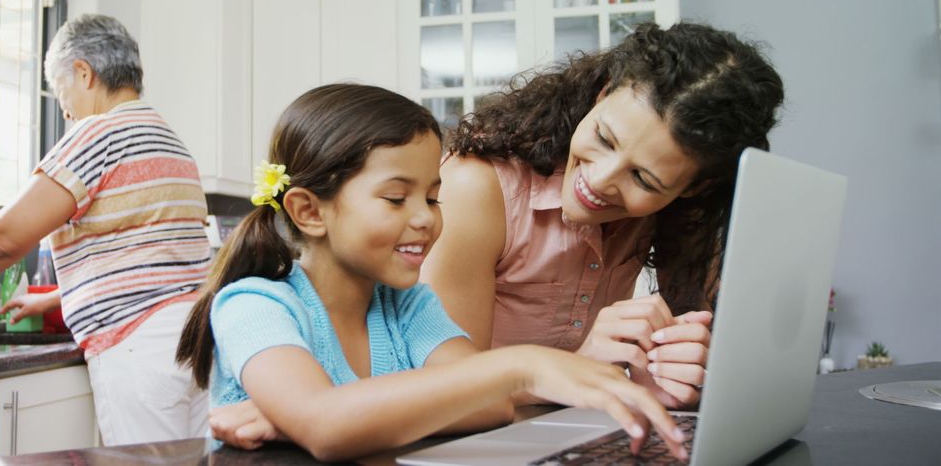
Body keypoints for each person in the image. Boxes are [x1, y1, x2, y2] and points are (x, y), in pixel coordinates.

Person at [175, 83, 688, 462]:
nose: (425, 217)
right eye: (397, 198)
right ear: (310, 211)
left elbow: (492, 409)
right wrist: (521, 366)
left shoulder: (410, 306)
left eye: (432, 196)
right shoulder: (256, 306)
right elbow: (326, 424)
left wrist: (302, 423)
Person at [0, 14, 210, 445]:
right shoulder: (169, 140)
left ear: (84, 72)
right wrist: (51, 298)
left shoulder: (98, 132)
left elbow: (3, 241)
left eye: (60, 92)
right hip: (197, 341)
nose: (65, 110)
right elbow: (151, 260)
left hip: (138, 349)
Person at [421, 22, 785, 409]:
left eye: (643, 178)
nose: (597, 181)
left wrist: (676, 374)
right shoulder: (477, 187)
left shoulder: (679, 209)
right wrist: (578, 371)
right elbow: (445, 392)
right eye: (604, 138)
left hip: (575, 434)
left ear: (694, 189)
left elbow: (701, 344)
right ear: (603, 94)